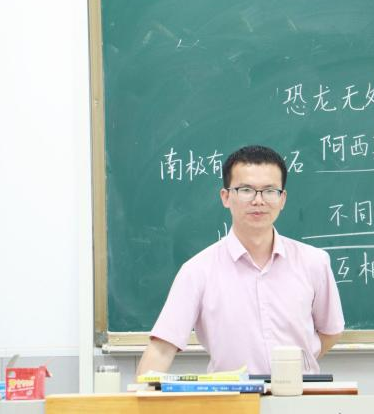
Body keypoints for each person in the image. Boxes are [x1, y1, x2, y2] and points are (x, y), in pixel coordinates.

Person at [137, 145, 344, 375]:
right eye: (246, 190)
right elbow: (161, 349)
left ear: (282, 199)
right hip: (231, 395)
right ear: (226, 197)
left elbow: (330, 332)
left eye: (270, 191)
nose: (258, 201)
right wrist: (142, 392)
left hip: (299, 394)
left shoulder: (314, 262)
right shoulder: (197, 271)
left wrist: (295, 369)